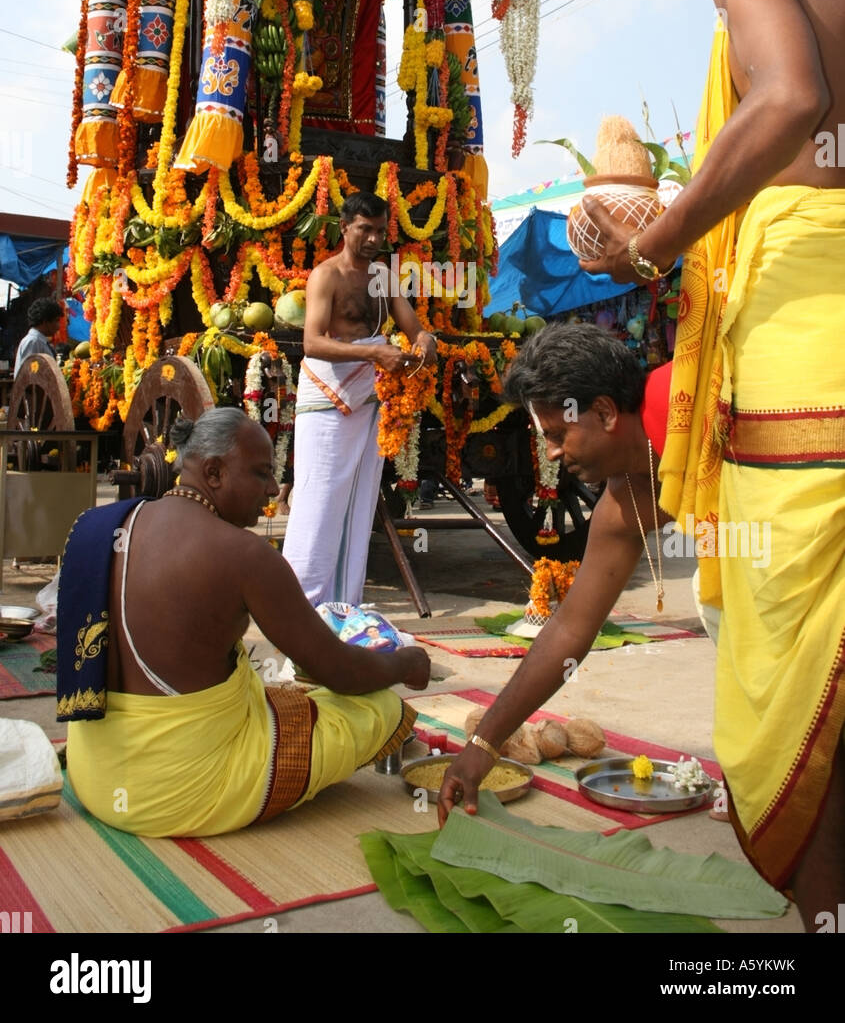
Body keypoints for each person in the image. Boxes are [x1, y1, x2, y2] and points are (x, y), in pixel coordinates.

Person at [574, 0, 845, 925]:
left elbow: (785, 100)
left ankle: (821, 915)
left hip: (801, 334)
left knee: (789, 641)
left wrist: (660, 236)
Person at [59, 408, 430, 837]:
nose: (273, 489)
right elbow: (342, 673)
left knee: (280, 695)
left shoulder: (104, 525)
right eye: (261, 473)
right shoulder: (246, 555)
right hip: (179, 795)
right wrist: (406, 664)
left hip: (95, 778)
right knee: (379, 707)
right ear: (213, 473)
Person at [438, 322, 676, 796]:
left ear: (606, 412)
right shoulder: (622, 499)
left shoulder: (687, 399)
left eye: (558, 433)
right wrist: (484, 746)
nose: (550, 452)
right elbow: (569, 627)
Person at [283, 191, 437, 606]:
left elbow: (413, 327)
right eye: (363, 229)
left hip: (369, 399)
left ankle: (342, 604)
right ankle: (300, 605)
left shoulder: (385, 277)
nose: (372, 239)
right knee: (319, 500)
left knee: (359, 500)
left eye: (379, 231)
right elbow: (312, 342)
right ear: (344, 228)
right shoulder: (325, 275)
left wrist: (425, 341)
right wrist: (374, 352)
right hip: (327, 398)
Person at [13, 297, 64, 375]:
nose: (58, 326)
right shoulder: (33, 342)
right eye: (56, 321)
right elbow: (29, 377)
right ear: (45, 322)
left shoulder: (39, 341)